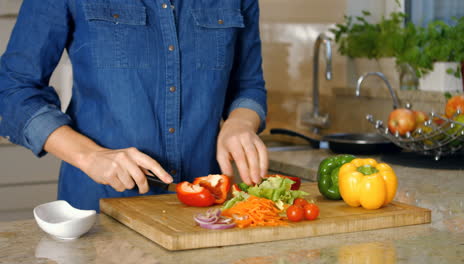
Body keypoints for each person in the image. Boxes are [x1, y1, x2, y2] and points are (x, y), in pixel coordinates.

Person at [0, 0, 267, 211]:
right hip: (99, 211)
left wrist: (241, 122)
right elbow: (13, 88)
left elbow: (248, 85)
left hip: (203, 210)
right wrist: (89, 156)